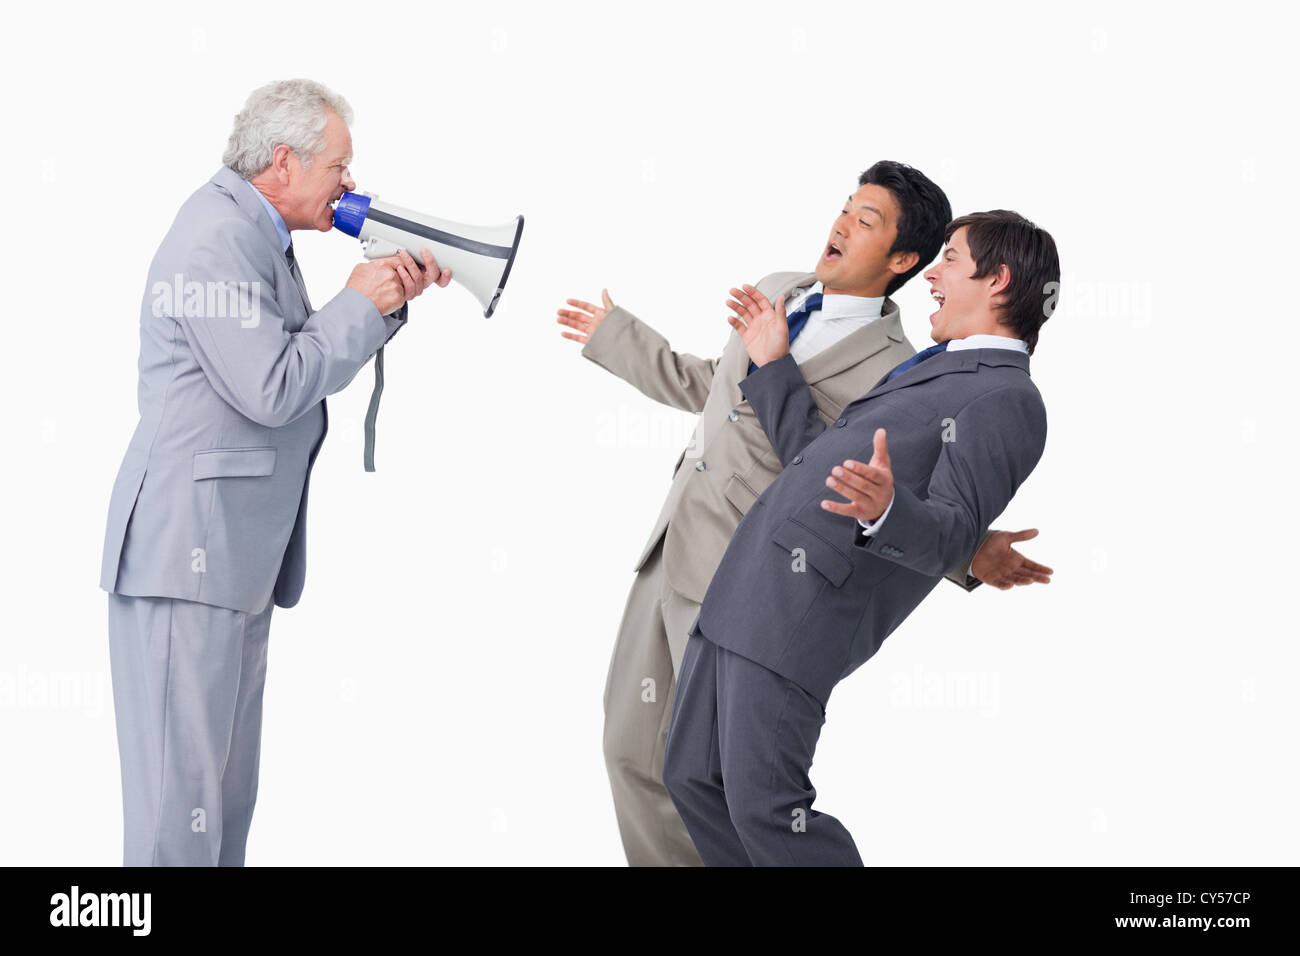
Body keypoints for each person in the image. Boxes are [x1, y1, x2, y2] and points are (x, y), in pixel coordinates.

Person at [558, 163, 1051, 866]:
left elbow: (839, 473)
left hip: (751, 573)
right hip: (676, 548)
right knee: (645, 759)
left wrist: (967, 553)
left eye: (868, 219)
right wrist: (620, 338)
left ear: (903, 260)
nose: (843, 223)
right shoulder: (778, 293)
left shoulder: (900, 363)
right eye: (847, 208)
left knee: (750, 798)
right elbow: (715, 385)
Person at [98, 79, 449, 866]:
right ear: (283, 162)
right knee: (176, 815)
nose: (351, 186)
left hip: (229, 562)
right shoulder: (214, 239)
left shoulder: (252, 231)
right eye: (341, 167)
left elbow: (299, 363)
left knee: (220, 805)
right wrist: (360, 299)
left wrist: (385, 301)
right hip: (185, 558)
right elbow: (275, 385)